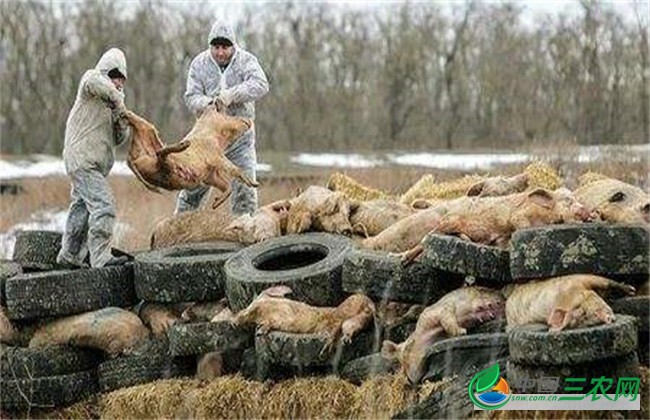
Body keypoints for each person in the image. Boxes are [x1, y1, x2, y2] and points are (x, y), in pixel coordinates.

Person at [176, 20, 269, 216]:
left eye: (225, 47)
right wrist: (208, 104)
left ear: (233, 46)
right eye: (216, 47)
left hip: (239, 140)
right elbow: (191, 97)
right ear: (210, 46)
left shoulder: (246, 61)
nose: (220, 52)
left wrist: (232, 95)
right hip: (207, 140)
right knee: (193, 185)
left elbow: (261, 84)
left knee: (245, 190)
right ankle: (180, 229)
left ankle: (244, 233)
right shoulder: (199, 64)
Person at [56, 48, 132, 268]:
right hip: (83, 161)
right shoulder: (91, 82)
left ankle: (69, 255)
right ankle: (100, 258)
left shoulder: (114, 104)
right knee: (104, 205)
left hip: (92, 165)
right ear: (105, 72)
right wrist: (117, 99)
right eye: (114, 76)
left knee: (80, 209)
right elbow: (99, 84)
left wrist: (120, 116)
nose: (118, 82)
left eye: (121, 79)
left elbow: (119, 138)